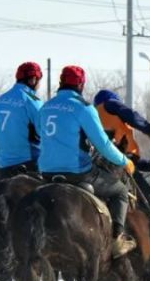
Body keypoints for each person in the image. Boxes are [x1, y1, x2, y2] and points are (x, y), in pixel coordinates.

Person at [38, 66, 137, 257]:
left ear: (61, 83)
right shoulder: (83, 108)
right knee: (121, 192)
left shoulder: (45, 107)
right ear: (81, 84)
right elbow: (103, 145)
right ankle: (117, 241)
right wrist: (125, 161)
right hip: (77, 173)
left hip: (46, 173)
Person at [93, 89, 150, 249]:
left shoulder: (93, 117)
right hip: (121, 166)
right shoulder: (110, 104)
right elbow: (131, 115)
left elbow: (133, 161)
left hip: (100, 168)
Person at [0, 61, 43, 178]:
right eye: (39, 81)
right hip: (29, 165)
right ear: (33, 80)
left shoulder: (0, 100)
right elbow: (45, 133)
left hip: (4, 167)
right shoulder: (33, 101)